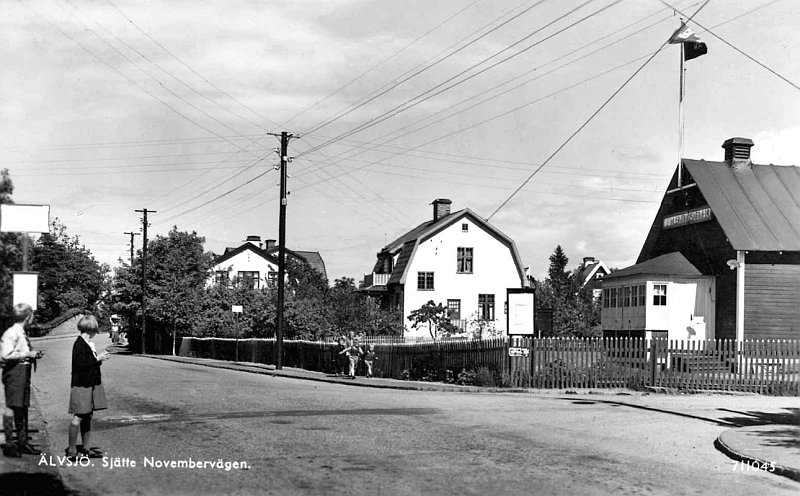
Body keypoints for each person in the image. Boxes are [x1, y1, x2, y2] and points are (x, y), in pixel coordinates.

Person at [1, 303, 44, 457]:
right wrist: (26, 355)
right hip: (14, 372)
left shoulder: (21, 332)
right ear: (28, 317)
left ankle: (23, 442)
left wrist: (32, 354)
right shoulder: (11, 333)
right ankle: (9, 444)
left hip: (22, 372)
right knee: (12, 407)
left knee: (23, 406)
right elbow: (5, 355)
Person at [65, 315, 109, 461]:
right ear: (91, 329)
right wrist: (98, 359)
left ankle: (85, 448)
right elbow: (82, 365)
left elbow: (89, 363)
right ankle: (72, 450)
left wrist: (98, 359)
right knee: (79, 415)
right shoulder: (79, 344)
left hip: (90, 382)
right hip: (81, 384)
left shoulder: (88, 343)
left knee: (87, 415)